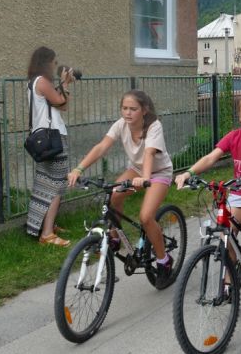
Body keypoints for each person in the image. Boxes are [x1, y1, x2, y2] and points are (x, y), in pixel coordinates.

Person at [67, 90, 174, 286]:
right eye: (124, 108)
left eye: (133, 109)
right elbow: (101, 147)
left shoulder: (153, 126)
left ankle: (163, 260)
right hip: (136, 170)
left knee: (145, 217)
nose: (128, 113)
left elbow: (149, 153)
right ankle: (115, 239)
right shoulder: (121, 125)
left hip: (158, 173)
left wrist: (145, 178)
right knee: (114, 195)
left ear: (144, 110)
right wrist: (79, 168)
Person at [175, 96, 241, 258]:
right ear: (239, 116)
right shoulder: (233, 136)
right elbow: (211, 158)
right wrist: (188, 173)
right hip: (240, 190)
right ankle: (231, 277)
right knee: (227, 237)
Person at [26, 46, 75, 246]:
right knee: (56, 185)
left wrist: (66, 86)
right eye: (54, 62)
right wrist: (64, 82)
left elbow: (62, 105)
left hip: (45, 139)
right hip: (53, 138)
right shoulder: (43, 82)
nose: (55, 66)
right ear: (46, 62)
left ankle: (43, 225)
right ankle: (46, 234)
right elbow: (60, 99)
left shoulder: (35, 82)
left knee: (45, 184)